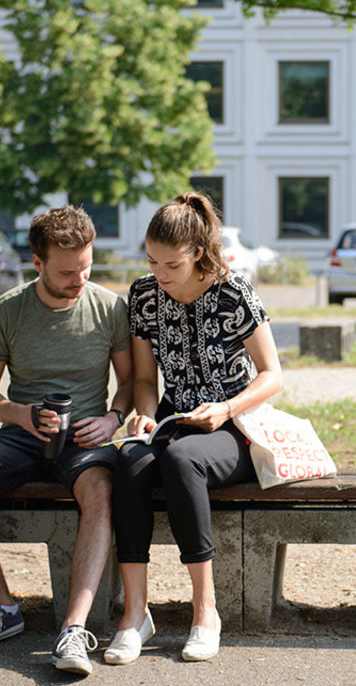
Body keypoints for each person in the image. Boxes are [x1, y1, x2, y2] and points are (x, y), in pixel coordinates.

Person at [0, 206, 133, 676]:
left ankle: (73, 629)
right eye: (67, 271)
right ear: (38, 263)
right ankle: (3, 609)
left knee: (103, 491)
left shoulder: (109, 308)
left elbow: (130, 384)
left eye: (86, 266)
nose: (79, 278)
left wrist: (112, 419)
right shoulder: (7, 311)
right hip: (21, 435)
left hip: (87, 437)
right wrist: (20, 414)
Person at [104, 191, 282, 665]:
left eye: (170, 265)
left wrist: (224, 409)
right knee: (130, 460)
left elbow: (272, 376)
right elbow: (144, 379)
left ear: (199, 253)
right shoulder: (143, 295)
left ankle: (205, 612)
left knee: (183, 460)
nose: (159, 274)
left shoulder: (233, 292)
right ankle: (135, 615)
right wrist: (142, 412)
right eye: (151, 261)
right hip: (172, 419)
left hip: (234, 427)